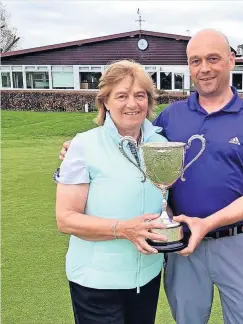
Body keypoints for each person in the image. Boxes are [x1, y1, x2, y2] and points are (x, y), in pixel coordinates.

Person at [60, 29, 243, 324]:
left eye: (213, 58)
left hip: (237, 244)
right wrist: (73, 152)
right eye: (195, 61)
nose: (204, 68)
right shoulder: (169, 120)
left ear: (231, 61)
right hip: (181, 246)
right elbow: (127, 143)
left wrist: (206, 224)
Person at [55, 60, 170, 324]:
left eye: (140, 95)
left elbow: (162, 200)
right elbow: (66, 218)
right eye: (122, 95)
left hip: (147, 276)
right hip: (97, 283)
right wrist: (124, 229)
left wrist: (170, 223)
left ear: (149, 101)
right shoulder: (83, 145)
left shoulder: (161, 143)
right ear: (105, 101)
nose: (132, 103)